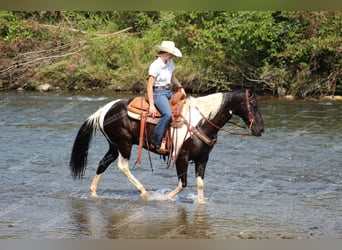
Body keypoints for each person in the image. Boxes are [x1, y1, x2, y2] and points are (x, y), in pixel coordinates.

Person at [147, 41, 186, 153]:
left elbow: (173, 77)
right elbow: (149, 86)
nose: (172, 56)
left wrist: (180, 86)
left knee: (182, 110)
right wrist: (151, 105)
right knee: (167, 114)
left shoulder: (170, 62)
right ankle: (156, 141)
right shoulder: (156, 65)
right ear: (166, 53)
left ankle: (175, 139)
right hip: (158, 93)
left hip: (168, 91)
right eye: (171, 54)